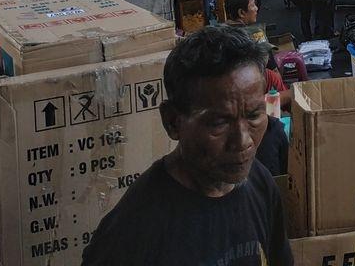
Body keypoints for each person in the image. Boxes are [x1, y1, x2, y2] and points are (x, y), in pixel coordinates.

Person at [81, 26, 292, 266]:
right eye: (219, 123)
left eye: (254, 115)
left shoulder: (259, 183)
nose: (243, 141)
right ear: (173, 122)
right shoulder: (135, 229)